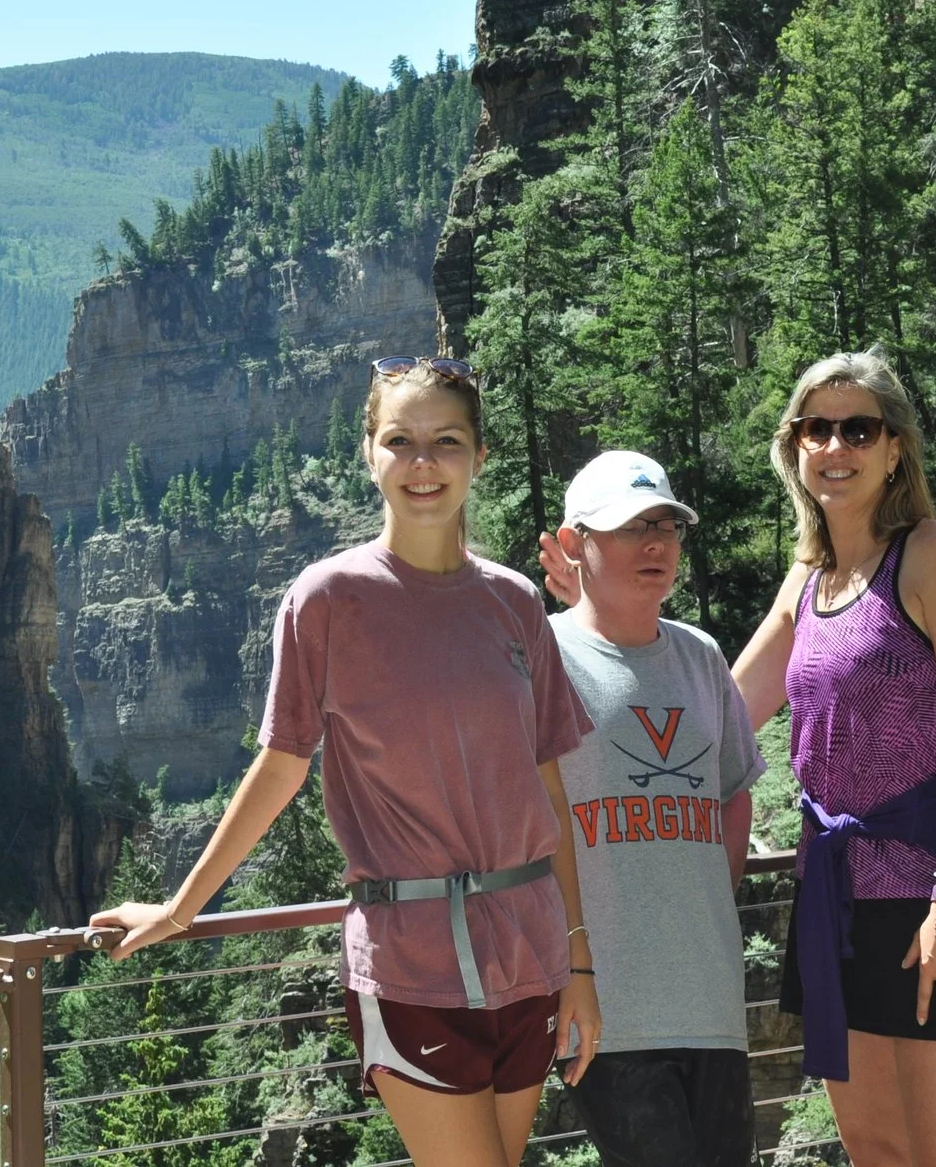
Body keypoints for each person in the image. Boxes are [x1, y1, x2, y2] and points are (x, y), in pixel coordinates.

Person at [90, 356, 601, 1167]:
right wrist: (181, 911)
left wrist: (579, 964)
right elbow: (281, 767)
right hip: (411, 963)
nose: (423, 463)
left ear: (480, 456)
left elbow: (549, 792)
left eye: (446, 441)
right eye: (400, 440)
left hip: (529, 956)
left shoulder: (513, 605)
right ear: (369, 453)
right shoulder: (327, 600)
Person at [728, 351, 936, 1167]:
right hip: (837, 903)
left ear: (895, 447)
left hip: (931, 899)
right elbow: (725, 713)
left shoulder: (933, 555)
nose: (835, 445)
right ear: (793, 446)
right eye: (815, 428)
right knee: (875, 1150)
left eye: (858, 428)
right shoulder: (810, 577)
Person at [535, 450, 764, 1167]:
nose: (657, 543)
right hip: (609, 1009)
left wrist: (703, 898)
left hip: (711, 998)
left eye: (667, 524)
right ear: (576, 544)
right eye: (632, 527)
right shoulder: (543, 656)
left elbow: (733, 794)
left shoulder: (700, 656)